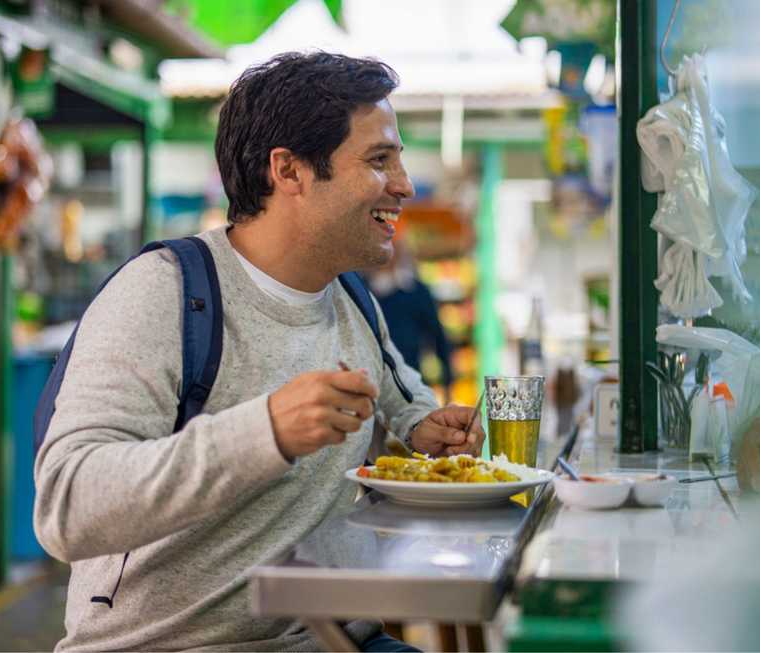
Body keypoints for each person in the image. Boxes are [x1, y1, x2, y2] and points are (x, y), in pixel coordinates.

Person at [33, 52, 484, 652]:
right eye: (379, 160)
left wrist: (427, 426)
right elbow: (66, 505)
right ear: (288, 171)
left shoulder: (349, 292)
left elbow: (403, 397)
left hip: (333, 636)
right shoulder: (164, 292)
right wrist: (264, 431)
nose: (403, 184)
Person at [366, 239, 454, 395]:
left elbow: (438, 337)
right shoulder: (361, 289)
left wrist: (448, 382)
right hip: (368, 384)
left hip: (409, 383)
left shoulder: (416, 291)